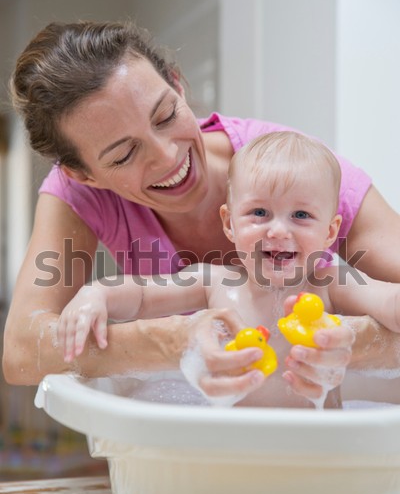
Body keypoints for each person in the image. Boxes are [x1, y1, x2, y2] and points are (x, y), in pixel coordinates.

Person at [3, 21, 400, 404]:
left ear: (178, 84)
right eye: (124, 154)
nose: (167, 156)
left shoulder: (302, 177)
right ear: (82, 175)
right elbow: (24, 352)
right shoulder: (214, 280)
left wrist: (349, 341)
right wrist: (174, 338)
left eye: (165, 116)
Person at [56, 131, 400, 408]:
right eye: (259, 213)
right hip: (233, 445)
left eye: (301, 216)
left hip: (319, 449)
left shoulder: (330, 281)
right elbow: (142, 295)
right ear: (229, 223)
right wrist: (96, 293)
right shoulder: (215, 282)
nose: (278, 230)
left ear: (329, 232)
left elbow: (388, 300)